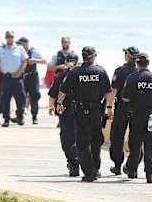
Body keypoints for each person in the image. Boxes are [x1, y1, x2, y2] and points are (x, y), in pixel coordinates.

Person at [58, 46, 113, 182]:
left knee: (83, 142)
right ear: (93, 56)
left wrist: (59, 103)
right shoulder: (100, 71)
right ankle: (95, 169)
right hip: (96, 111)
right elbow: (108, 93)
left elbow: (63, 90)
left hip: (80, 111)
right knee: (95, 140)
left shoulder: (75, 72)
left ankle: (88, 172)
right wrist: (109, 108)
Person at [122, 52, 152, 184]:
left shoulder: (132, 78)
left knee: (135, 144)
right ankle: (149, 174)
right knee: (150, 144)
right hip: (151, 116)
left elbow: (125, 97)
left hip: (137, 115)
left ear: (137, 63)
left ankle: (132, 170)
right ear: (148, 63)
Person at [48, 51, 80, 177]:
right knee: (82, 136)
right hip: (81, 111)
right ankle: (88, 164)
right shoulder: (80, 75)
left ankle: (73, 162)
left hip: (65, 111)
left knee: (67, 137)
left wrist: (51, 106)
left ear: (65, 62)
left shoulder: (60, 76)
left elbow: (52, 94)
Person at [108, 46, 139, 175]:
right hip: (138, 109)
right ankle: (133, 167)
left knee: (117, 136)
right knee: (136, 137)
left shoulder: (120, 71)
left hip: (122, 107)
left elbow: (114, 91)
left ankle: (117, 165)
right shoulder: (141, 71)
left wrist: (109, 107)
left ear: (128, 56)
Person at [0, 31, 28, 127]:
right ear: (5, 38)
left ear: (13, 38)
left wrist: (20, 72)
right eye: (8, 37)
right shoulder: (0, 50)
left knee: (21, 98)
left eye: (11, 37)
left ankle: (20, 116)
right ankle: (6, 119)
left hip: (17, 79)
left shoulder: (19, 49)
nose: (10, 38)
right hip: (6, 78)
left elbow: (25, 61)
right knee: (4, 99)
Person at [17, 37, 48, 124]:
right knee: (21, 96)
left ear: (26, 44)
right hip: (22, 77)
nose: (19, 46)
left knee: (35, 95)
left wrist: (35, 60)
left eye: (21, 44)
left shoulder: (33, 51)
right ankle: (20, 117)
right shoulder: (18, 52)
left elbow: (45, 61)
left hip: (33, 76)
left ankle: (34, 116)